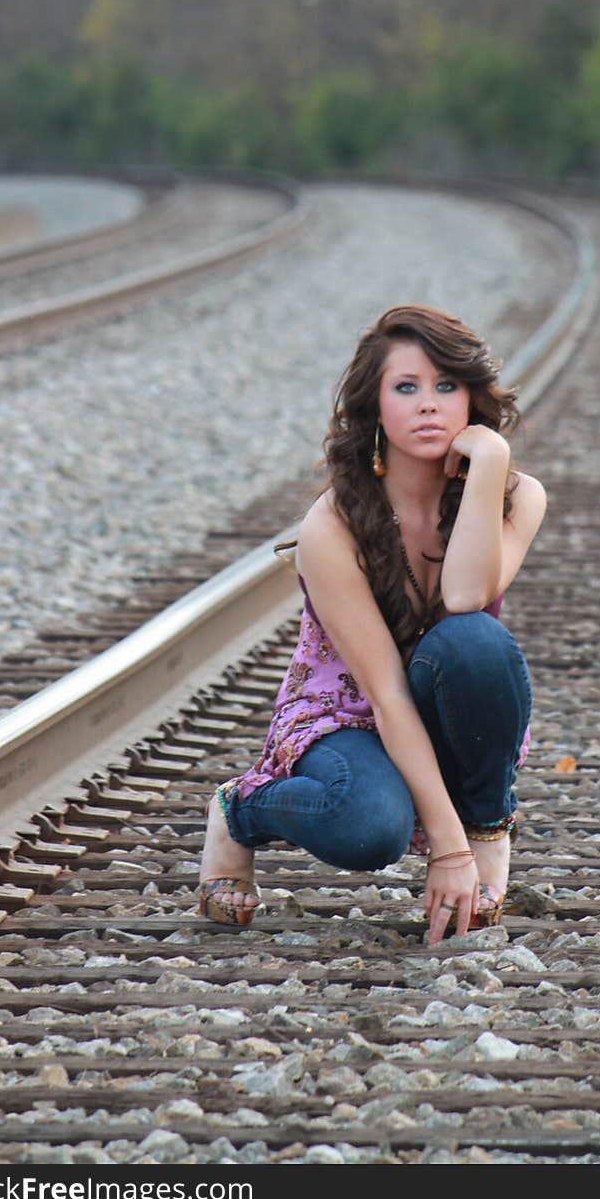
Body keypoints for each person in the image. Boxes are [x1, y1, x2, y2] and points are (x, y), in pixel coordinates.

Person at [199, 303, 546, 944]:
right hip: (348, 715)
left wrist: (490, 458)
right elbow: (385, 695)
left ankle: (490, 828)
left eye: (447, 386)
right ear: (375, 406)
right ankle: (239, 809)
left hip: (443, 697)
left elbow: (468, 597)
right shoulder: (331, 527)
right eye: (406, 387)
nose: (429, 405)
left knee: (477, 646)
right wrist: (444, 853)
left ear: (472, 395)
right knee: (367, 831)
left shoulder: (516, 495)